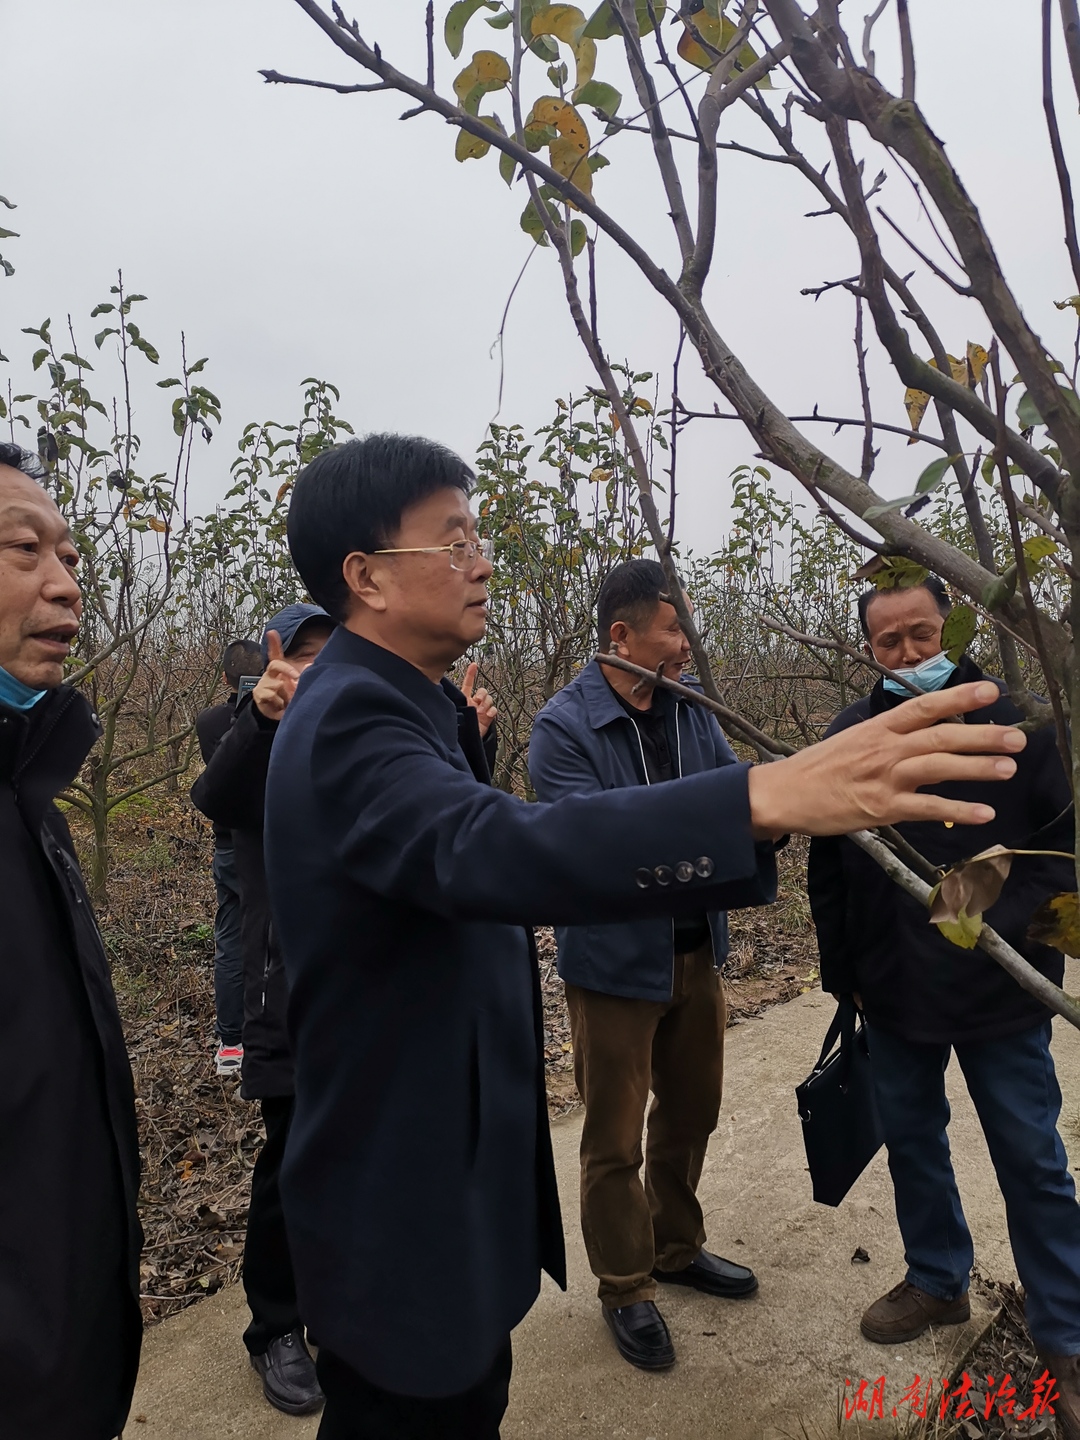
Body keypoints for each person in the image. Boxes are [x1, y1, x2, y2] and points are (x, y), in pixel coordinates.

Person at [262, 433, 1026, 1440]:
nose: (484, 561)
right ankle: (627, 1278)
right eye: (452, 540)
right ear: (365, 576)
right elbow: (493, 846)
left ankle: (670, 1247)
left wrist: (769, 805)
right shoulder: (352, 712)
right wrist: (759, 795)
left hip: (452, 1177)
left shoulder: (416, 705)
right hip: (401, 1206)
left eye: (479, 535)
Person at [807, 575, 1080, 1440]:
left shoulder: (1022, 723)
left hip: (1001, 990)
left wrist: (1005, 928)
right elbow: (829, 866)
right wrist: (840, 972)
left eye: (923, 635)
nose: (910, 656)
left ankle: (1066, 1332)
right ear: (868, 651)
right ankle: (937, 1278)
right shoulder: (851, 737)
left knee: (1032, 1157)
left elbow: (1061, 848)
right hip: (893, 989)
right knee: (914, 1142)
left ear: (952, 627)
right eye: (890, 644)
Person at [528, 559, 756, 1372]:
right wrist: (711, 832)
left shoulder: (691, 712)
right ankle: (626, 1286)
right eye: (674, 631)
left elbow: (739, 795)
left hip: (697, 953)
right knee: (613, 1138)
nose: (687, 647)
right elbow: (589, 847)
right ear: (621, 636)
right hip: (614, 966)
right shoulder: (563, 728)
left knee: (693, 1109)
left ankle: (677, 1245)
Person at [0, 442, 142, 1438]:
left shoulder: (30, 793)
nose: (67, 586)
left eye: (73, 557)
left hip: (65, 1344)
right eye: (23, 550)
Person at [191, 604, 334, 1417]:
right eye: (302, 655)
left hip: (362, 993)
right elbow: (219, 797)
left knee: (351, 1155)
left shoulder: (359, 731)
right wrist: (263, 716)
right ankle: (274, 1328)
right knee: (287, 1166)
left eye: (331, 655)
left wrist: (469, 734)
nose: (318, 669)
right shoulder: (248, 732)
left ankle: (334, 1300)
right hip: (286, 991)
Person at [195, 637, 264, 1076]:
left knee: (231, 940)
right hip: (262, 846)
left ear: (224, 678)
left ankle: (232, 1042)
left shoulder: (209, 720)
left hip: (226, 846)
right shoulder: (277, 716)